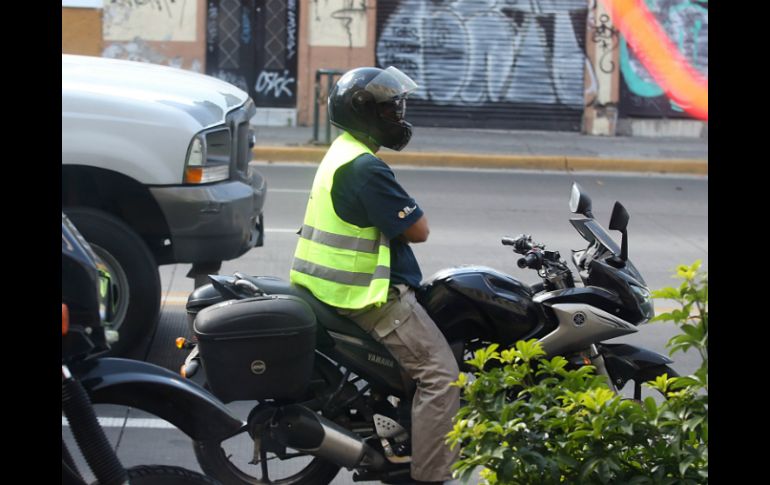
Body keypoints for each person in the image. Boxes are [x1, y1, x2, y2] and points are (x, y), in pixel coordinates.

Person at [289, 66, 460, 484]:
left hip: (325, 285)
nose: (398, 117)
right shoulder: (366, 169)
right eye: (391, 110)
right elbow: (418, 230)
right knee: (442, 377)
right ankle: (432, 476)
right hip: (366, 296)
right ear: (366, 114)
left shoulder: (342, 151)